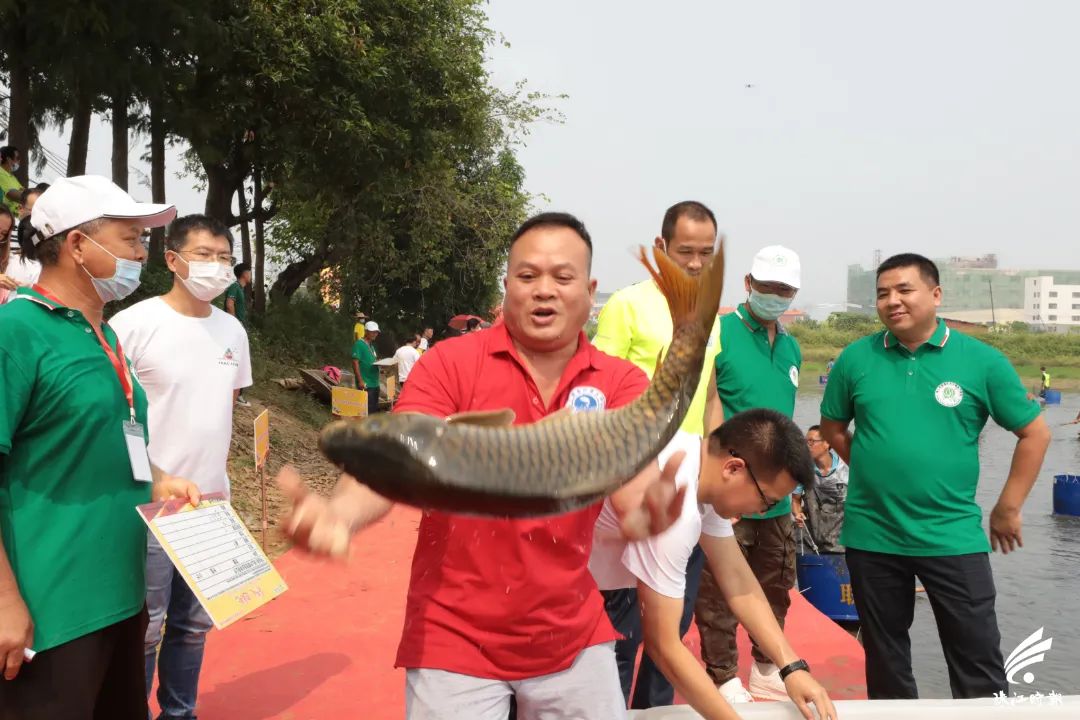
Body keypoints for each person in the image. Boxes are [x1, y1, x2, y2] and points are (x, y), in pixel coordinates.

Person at [275, 211, 687, 720]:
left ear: (589, 288)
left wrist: (649, 517)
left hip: (570, 628)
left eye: (562, 277)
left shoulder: (619, 381)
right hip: (453, 633)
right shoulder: (450, 362)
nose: (544, 291)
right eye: (527, 276)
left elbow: (631, 490)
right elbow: (394, 458)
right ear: (507, 283)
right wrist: (338, 514)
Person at [0, 175, 200, 719]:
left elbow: (101, 438)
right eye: (131, 238)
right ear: (76, 245)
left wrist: (159, 477)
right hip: (51, 612)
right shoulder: (16, 331)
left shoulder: (103, 335)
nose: (142, 253)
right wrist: (3, 601)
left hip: (121, 599)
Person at [820, 252, 1050, 700]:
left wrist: (1008, 506)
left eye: (905, 290)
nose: (893, 301)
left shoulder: (980, 361)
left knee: (977, 659)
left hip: (952, 535)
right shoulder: (855, 358)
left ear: (936, 294)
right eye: (883, 293)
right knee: (886, 660)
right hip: (873, 535)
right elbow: (832, 428)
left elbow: (1035, 434)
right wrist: (870, 464)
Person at [592, 410, 838, 720]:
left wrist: (792, 666)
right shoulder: (673, 503)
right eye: (768, 500)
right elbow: (663, 645)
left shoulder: (700, 465)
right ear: (734, 468)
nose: (764, 511)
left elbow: (737, 577)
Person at [109, 214, 252, 720]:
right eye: (203, 255)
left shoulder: (233, 330)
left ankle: (179, 712)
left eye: (224, 257)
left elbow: (224, 410)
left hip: (210, 502)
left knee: (193, 626)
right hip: (149, 505)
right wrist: (152, 475)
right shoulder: (132, 324)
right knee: (146, 626)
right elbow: (113, 415)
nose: (215, 267)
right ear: (171, 259)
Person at [590, 199, 722, 708]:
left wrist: (713, 459)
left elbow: (710, 395)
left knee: (675, 622)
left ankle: (650, 711)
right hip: (632, 487)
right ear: (661, 248)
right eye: (685, 251)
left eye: (706, 253)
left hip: (687, 486)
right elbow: (597, 391)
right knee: (620, 628)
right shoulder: (628, 304)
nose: (694, 263)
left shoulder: (712, 316)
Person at [695, 245, 802, 704]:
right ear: (747, 284)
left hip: (776, 494)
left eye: (783, 290)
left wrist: (792, 493)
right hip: (733, 484)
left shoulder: (793, 346)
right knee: (719, 589)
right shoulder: (719, 332)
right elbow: (706, 404)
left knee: (776, 582)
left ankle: (765, 666)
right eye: (767, 287)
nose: (774, 296)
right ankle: (721, 674)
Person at [792, 425, 849, 553]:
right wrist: (797, 514)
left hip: (841, 542)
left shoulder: (847, 469)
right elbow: (795, 501)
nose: (807, 446)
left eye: (811, 441)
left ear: (827, 443)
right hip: (810, 539)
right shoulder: (803, 470)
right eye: (805, 442)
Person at [352, 320, 382, 416]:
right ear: (366, 331)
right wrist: (360, 380)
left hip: (375, 383)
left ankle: (371, 430)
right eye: (372, 332)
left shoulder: (371, 346)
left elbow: (371, 361)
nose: (375, 334)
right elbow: (355, 362)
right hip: (366, 383)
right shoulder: (359, 344)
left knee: (373, 410)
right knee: (366, 411)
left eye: (376, 332)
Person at [0, 146, 23, 215]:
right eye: (17, 158)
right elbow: (10, 194)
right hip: (6, 217)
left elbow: (23, 191)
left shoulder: (12, 177)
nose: (19, 161)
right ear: (8, 159)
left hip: (17, 217)